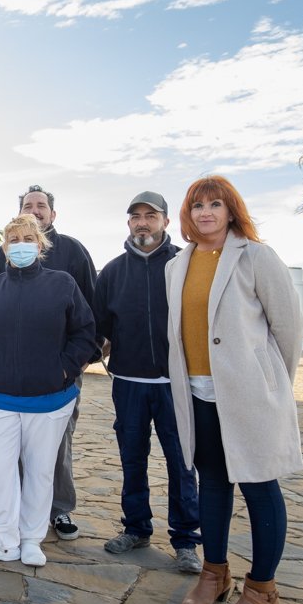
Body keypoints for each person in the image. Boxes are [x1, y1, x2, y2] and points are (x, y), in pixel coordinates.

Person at [167, 175, 302, 604]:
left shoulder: (256, 257)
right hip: (198, 392)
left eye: (215, 204)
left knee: (260, 486)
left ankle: (262, 590)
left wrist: (272, 386)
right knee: (212, 483)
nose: (205, 212)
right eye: (197, 205)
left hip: (249, 395)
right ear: (188, 213)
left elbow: (288, 330)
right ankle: (214, 574)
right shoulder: (177, 265)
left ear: (230, 211)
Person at [0, 214, 96, 567]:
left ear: (39, 245)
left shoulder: (62, 284)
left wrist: (64, 369)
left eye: (27, 239)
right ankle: (4, 541)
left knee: (40, 472)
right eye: (13, 240)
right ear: (5, 248)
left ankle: (32, 540)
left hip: (50, 401)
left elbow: (84, 332)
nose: (20, 245)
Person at [92, 192, 201, 573]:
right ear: (128, 223)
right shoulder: (112, 272)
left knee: (181, 463)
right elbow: (99, 325)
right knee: (132, 459)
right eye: (136, 216)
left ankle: (185, 540)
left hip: (176, 384)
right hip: (128, 382)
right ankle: (136, 528)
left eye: (150, 216)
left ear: (166, 222)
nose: (143, 222)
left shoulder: (185, 265)